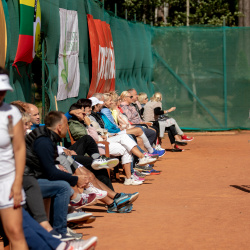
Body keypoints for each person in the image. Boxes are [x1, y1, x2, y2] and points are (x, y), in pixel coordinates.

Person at [0, 67, 28, 249]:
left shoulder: (10, 114)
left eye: (3, 90)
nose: (1, 94)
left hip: (7, 179)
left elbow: (19, 148)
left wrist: (17, 182)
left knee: (15, 232)